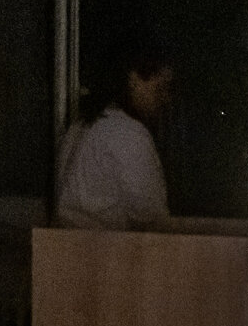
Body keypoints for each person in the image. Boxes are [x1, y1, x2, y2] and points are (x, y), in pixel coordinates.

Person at [56, 46, 174, 230]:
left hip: (69, 241)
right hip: (103, 244)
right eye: (160, 88)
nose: (165, 99)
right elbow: (152, 215)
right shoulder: (128, 133)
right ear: (134, 80)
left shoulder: (81, 124)